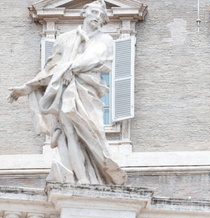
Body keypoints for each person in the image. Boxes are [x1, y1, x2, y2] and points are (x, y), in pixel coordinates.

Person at [7, 0, 126, 185]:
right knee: (69, 134)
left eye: (101, 15)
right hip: (66, 92)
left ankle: (99, 175)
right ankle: (82, 179)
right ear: (85, 13)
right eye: (94, 12)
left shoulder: (105, 40)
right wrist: (28, 87)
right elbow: (50, 68)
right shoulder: (65, 39)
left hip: (87, 93)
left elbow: (93, 58)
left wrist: (69, 68)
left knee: (94, 133)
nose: (97, 16)